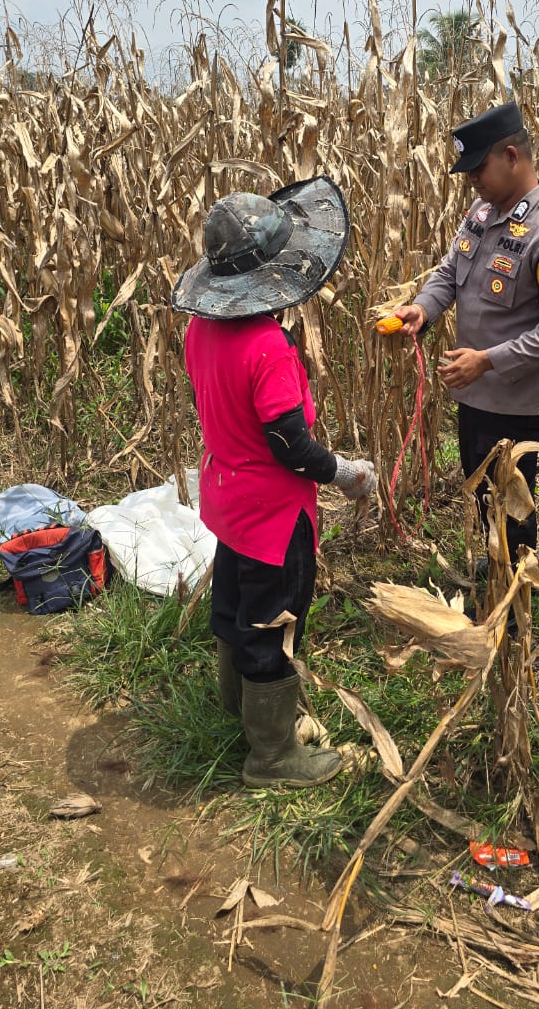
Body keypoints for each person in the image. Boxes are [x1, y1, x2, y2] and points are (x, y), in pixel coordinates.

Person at [171, 175, 376, 790]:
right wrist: (347, 475)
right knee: (272, 620)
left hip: (228, 499)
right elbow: (290, 445)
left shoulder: (201, 331)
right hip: (273, 515)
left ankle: (241, 710)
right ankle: (272, 755)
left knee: (233, 604)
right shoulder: (268, 348)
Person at [395, 101, 539, 570]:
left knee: (514, 497)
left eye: (478, 167)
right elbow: (450, 271)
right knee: (479, 482)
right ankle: (494, 556)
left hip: (518, 400)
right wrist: (423, 308)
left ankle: (518, 582)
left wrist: (487, 359)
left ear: (511, 156)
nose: (471, 179)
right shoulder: (481, 213)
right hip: (475, 389)